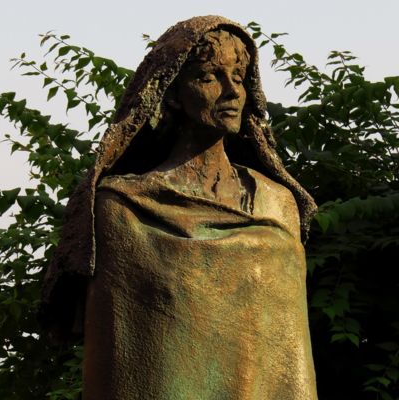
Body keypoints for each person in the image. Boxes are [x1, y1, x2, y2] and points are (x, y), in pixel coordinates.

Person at [41, 16, 318, 399]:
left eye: (239, 77)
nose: (231, 92)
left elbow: (289, 357)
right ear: (172, 93)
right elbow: (118, 363)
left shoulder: (278, 205)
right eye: (209, 77)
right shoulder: (122, 209)